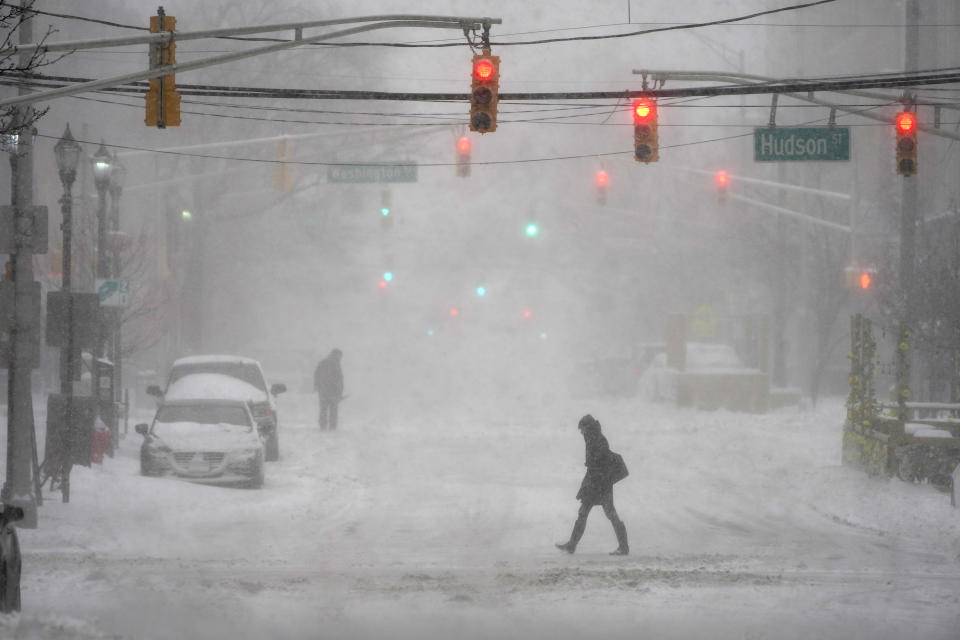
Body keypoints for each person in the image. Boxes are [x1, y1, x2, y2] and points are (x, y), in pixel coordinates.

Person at [556, 414, 629, 556]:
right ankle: (572, 544)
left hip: (601, 485)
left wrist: (593, 471)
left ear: (587, 427)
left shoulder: (599, 440)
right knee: (583, 513)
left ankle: (624, 547)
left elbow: (601, 463)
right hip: (594, 484)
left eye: (581, 428)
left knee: (610, 514)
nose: (580, 432)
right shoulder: (591, 439)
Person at [314, 348, 343, 430]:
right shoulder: (333, 364)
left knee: (324, 409)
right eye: (339, 356)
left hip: (325, 390)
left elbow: (316, 375)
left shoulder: (324, 362)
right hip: (331, 390)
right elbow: (339, 379)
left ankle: (324, 426)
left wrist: (317, 386)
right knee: (332, 409)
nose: (340, 358)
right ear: (335, 355)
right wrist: (339, 391)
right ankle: (331, 426)